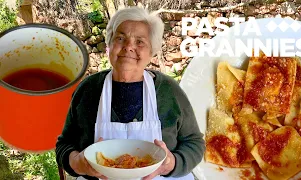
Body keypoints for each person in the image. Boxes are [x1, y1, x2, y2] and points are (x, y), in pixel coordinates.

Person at [55, 6, 205, 180]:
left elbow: (195, 143)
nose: (128, 47)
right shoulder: (88, 89)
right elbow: (64, 143)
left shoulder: (169, 91)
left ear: (151, 52)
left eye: (140, 41)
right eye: (120, 38)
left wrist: (170, 163)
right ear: (109, 45)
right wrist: (76, 163)